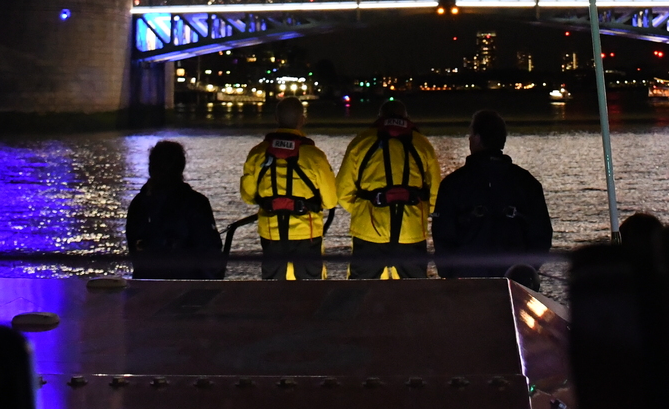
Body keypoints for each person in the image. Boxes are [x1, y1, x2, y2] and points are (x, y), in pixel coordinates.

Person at [431, 110, 553, 288]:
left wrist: (451, 274)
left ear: (478, 139)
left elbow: (443, 236)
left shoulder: (453, 184)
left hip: (468, 283)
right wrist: (526, 270)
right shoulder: (528, 183)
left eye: (471, 134)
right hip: (516, 285)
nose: (469, 139)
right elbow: (541, 235)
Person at [337, 99, 441, 279]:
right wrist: (420, 211)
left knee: (358, 292)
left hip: (369, 230)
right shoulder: (423, 144)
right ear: (406, 117)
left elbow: (342, 191)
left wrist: (362, 209)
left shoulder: (361, 142)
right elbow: (436, 194)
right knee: (416, 294)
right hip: (411, 231)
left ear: (380, 117)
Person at [241, 97, 339, 280]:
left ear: (275, 119)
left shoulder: (257, 153)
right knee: (311, 290)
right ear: (302, 120)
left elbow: (247, 196)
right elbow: (331, 201)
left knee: (273, 288)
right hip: (308, 232)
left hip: (271, 232)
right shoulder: (315, 156)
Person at [125, 140, 225, 279]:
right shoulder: (196, 202)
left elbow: (135, 251)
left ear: (151, 168)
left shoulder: (138, 204)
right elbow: (210, 253)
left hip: (147, 287)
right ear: (181, 167)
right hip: (188, 288)